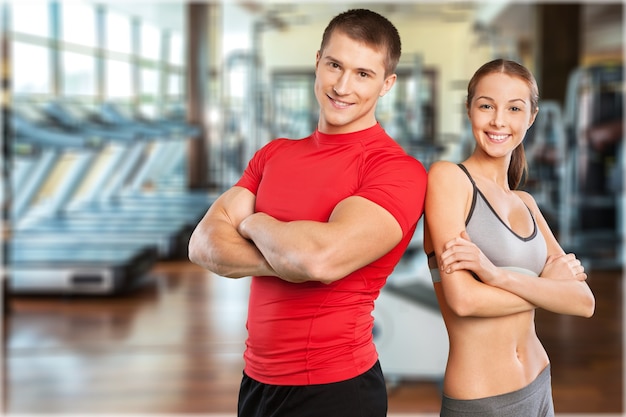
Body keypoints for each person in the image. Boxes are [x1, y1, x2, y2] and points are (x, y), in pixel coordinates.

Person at [188, 9, 427, 417]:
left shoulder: (395, 170)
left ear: (387, 85)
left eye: (363, 74)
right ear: (318, 62)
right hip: (256, 381)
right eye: (334, 65)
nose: (342, 86)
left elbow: (319, 259)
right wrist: (288, 257)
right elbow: (203, 244)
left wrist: (253, 222)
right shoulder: (274, 154)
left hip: (334, 388)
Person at [423, 58, 595, 417]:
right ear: (469, 109)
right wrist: (548, 288)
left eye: (514, 108)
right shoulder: (449, 179)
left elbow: (583, 302)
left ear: (530, 117)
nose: (499, 121)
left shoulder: (526, 203)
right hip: (483, 399)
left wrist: (496, 275)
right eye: (486, 105)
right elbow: (465, 301)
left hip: (539, 384)